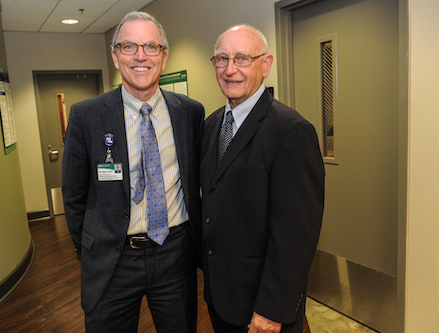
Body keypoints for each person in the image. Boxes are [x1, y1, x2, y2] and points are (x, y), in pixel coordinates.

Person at [62, 11, 204, 333]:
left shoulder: (190, 113)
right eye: (129, 47)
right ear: (115, 56)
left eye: (151, 47)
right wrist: (90, 246)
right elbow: (73, 195)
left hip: (174, 254)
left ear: (163, 56)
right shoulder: (87, 116)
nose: (141, 56)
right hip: (112, 260)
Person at [200, 24, 325, 333]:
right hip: (221, 297)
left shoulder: (291, 131)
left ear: (265, 65)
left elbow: (296, 236)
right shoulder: (212, 125)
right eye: (221, 58)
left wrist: (272, 309)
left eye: (242, 58)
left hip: (263, 308)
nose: (230, 70)